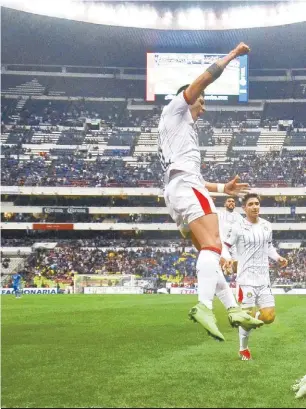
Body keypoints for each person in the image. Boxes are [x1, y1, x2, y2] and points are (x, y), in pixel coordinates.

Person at [158, 42, 263, 341]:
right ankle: (204, 305)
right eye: (200, 101)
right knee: (214, 247)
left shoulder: (177, 133)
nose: (203, 105)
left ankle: (232, 308)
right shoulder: (176, 109)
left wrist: (222, 188)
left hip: (178, 189)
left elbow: (189, 176)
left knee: (209, 250)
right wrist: (232, 55)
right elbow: (204, 79)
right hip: (185, 187)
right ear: (188, 98)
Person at [222, 193, 288, 359]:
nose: (255, 206)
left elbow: (269, 247)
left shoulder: (267, 225)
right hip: (246, 280)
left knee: (269, 317)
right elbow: (225, 245)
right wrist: (228, 259)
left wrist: (278, 257)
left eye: (257, 203)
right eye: (250, 204)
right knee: (247, 316)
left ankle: (249, 317)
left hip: (263, 279)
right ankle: (243, 349)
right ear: (244, 208)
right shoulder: (238, 226)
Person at [218, 196, 244, 273]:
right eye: (229, 201)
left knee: (237, 265)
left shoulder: (239, 216)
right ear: (225, 204)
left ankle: (236, 279)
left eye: (233, 201)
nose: (231, 203)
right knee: (226, 261)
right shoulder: (220, 214)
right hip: (223, 242)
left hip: (235, 243)